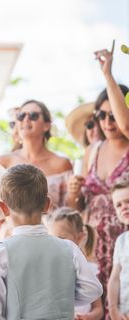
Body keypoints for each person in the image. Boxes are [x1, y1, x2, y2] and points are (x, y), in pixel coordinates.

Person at [0, 164, 103, 320]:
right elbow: (93, 289)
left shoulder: (0, 254)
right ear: (47, 204)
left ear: (3, 208)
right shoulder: (68, 248)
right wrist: (62, 298)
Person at [66, 59, 129, 312]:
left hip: (124, 242)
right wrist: (74, 192)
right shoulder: (92, 151)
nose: (107, 121)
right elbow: (79, 205)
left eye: (113, 114)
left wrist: (107, 74)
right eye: (101, 115)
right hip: (95, 244)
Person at [0, 100, 73, 210]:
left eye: (33, 116)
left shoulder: (62, 164)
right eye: (21, 116)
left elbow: (72, 210)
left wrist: (75, 193)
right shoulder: (3, 162)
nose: (26, 119)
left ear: (47, 125)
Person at [46, 207, 103, 320]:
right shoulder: (46, 269)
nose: (55, 244)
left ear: (79, 238)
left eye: (61, 238)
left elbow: (99, 309)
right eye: (51, 239)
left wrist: (87, 317)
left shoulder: (89, 270)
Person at [109, 179, 129, 320]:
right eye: (119, 205)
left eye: (128, 201)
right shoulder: (121, 241)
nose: (124, 207)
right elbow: (115, 278)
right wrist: (113, 309)